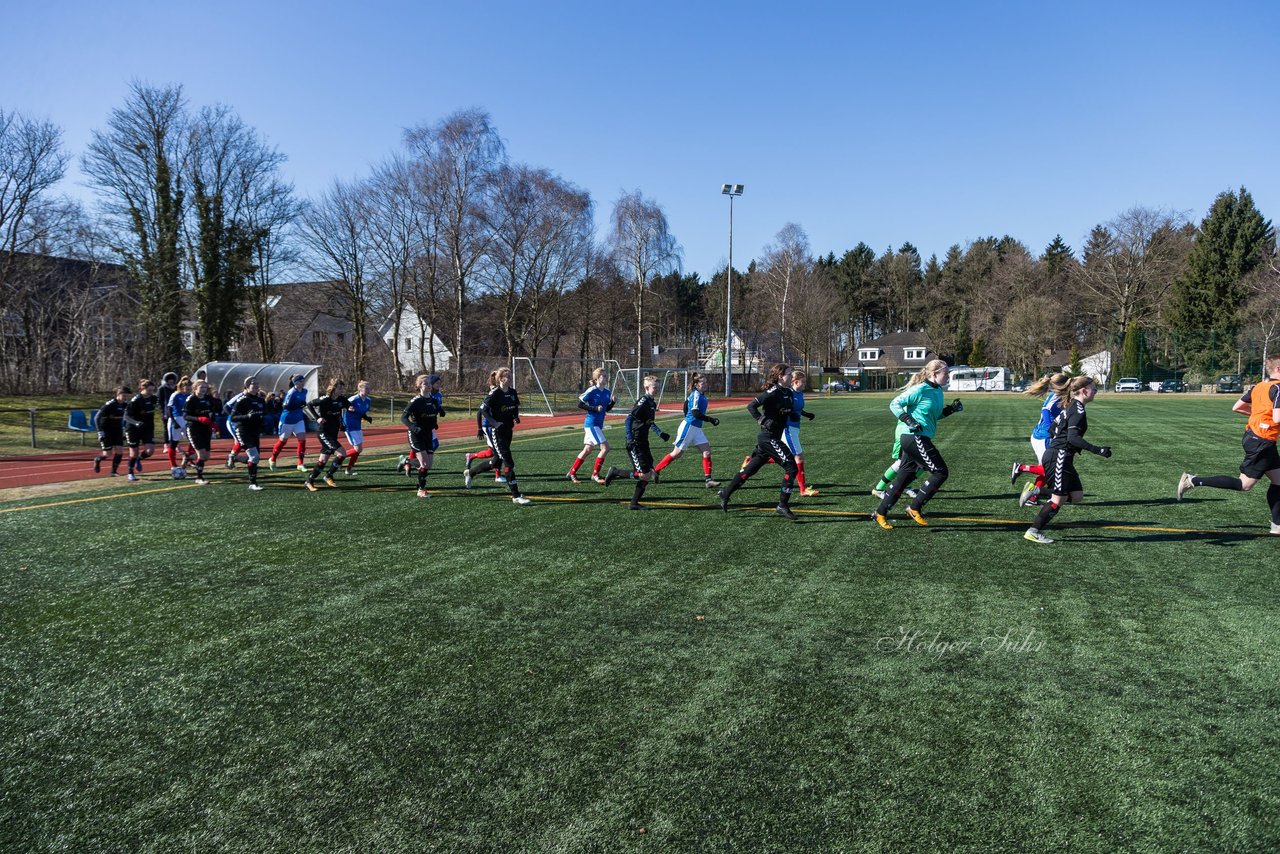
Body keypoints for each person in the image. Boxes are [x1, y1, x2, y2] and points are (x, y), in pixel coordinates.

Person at [1177, 354, 1280, 535]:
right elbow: (1277, 418)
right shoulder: (1278, 388)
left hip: (1256, 437)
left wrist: (1259, 418)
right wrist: (1265, 420)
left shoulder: (1259, 386)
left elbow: (1238, 407)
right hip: (1262, 441)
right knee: (1244, 485)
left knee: (1279, 481)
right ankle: (1192, 480)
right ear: (1278, 369)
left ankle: (1277, 525)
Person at [872, 360, 963, 529]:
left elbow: (933, 417)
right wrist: (908, 419)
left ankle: (881, 512)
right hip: (914, 437)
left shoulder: (937, 391)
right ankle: (914, 507)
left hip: (920, 437)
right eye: (946, 373)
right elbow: (894, 404)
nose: (948, 375)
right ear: (934, 374)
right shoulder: (920, 389)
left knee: (904, 477)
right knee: (940, 472)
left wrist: (950, 410)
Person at [1024, 374, 1111, 544]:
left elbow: (1053, 428)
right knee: (1058, 499)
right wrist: (1098, 450)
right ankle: (1033, 531)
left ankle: (1037, 491)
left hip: (1062, 456)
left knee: (1077, 496)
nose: (1095, 392)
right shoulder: (1077, 410)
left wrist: (1060, 442)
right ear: (1084, 391)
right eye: (1094, 389)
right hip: (1059, 456)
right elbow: (1073, 438)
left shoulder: (1071, 406)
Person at [718, 363, 800, 521]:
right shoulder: (773, 392)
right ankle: (782, 505)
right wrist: (762, 419)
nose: (792, 376)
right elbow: (752, 406)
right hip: (768, 438)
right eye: (789, 374)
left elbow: (783, 410)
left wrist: (793, 415)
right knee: (791, 467)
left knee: (749, 470)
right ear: (780, 376)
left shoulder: (788, 392)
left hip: (772, 438)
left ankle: (726, 492)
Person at [465, 367, 531, 504]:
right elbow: (483, 411)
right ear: (501, 379)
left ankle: (471, 472)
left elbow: (515, 406)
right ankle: (516, 495)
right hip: (497, 432)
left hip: (509, 430)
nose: (511, 379)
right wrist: (494, 423)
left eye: (511, 376)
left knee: (496, 462)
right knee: (508, 462)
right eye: (508, 377)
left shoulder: (512, 392)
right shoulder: (494, 393)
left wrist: (515, 416)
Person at [602, 375, 670, 510]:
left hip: (644, 441)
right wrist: (629, 437)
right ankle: (615, 472)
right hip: (635, 441)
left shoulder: (652, 403)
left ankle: (634, 503)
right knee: (644, 474)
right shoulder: (643, 402)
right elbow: (628, 419)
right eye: (654, 387)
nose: (656, 389)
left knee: (649, 471)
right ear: (646, 387)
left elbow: (650, 422)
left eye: (658, 387)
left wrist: (660, 433)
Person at [1011, 372, 1071, 507]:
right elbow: (1046, 410)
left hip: (1042, 436)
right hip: (1043, 437)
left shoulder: (1059, 395)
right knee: (1047, 469)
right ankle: (1021, 468)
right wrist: (1051, 430)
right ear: (1063, 385)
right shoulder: (1055, 396)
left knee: (1045, 469)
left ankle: (1032, 498)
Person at [653, 371, 721, 489]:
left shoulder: (700, 394)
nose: (705, 384)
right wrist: (710, 419)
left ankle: (708, 480)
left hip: (697, 428)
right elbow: (695, 412)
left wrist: (689, 416)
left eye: (705, 382)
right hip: (689, 427)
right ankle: (656, 470)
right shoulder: (696, 395)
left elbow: (685, 405)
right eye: (702, 383)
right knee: (677, 453)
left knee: (707, 452)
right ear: (696, 384)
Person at [568, 368, 615, 484]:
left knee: (588, 450)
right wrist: (594, 408)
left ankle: (572, 472)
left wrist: (613, 402)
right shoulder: (592, 390)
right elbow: (579, 404)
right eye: (603, 376)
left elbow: (606, 409)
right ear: (597, 378)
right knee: (605, 448)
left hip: (598, 425)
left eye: (606, 375)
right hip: (591, 424)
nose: (606, 377)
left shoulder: (607, 392)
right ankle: (595, 474)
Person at [402, 374, 446, 498]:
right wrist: (413, 427)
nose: (428, 385)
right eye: (425, 383)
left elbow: (435, 411)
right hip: (416, 435)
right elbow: (403, 417)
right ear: (419, 386)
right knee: (425, 464)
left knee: (428, 465)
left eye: (429, 383)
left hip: (428, 433)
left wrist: (439, 415)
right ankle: (421, 489)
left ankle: (407, 461)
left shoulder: (433, 400)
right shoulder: (416, 401)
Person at [461, 371, 506, 485]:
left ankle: (472, 456)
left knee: (492, 452)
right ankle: (497, 475)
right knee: (497, 452)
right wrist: (480, 428)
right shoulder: (492, 395)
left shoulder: (503, 394)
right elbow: (479, 412)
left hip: (497, 427)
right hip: (489, 427)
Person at [304, 378, 349, 491]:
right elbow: (308, 405)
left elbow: (348, 406)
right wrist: (317, 418)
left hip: (333, 432)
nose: (342, 390)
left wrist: (344, 420)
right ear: (334, 388)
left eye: (343, 388)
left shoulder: (341, 399)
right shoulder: (325, 399)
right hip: (324, 432)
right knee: (342, 453)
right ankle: (328, 475)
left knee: (323, 461)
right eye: (340, 388)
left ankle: (309, 481)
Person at [227, 376, 267, 491]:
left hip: (254, 431)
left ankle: (235, 458)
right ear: (247, 386)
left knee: (255, 458)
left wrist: (261, 419)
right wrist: (247, 416)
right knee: (254, 457)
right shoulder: (242, 399)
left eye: (257, 383)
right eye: (253, 383)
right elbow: (233, 417)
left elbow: (265, 412)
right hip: (243, 431)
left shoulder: (260, 400)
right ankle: (253, 483)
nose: (255, 385)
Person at [269, 375, 310, 472]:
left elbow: (302, 402)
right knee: (283, 441)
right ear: (296, 383)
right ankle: (273, 459)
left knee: (302, 440)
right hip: (287, 419)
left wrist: (303, 403)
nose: (302, 383)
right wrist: (297, 405)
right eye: (301, 381)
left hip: (298, 418)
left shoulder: (305, 391)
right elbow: (285, 406)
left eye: (303, 381)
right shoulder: (291, 392)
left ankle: (300, 463)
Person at [121, 379, 158, 482]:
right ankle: (130, 473)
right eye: (149, 390)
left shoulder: (154, 398)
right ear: (142, 389)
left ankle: (139, 459)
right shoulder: (136, 400)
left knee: (150, 451)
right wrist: (136, 423)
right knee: (133, 452)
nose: (151, 392)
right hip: (133, 429)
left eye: (152, 390)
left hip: (148, 428)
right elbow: (126, 416)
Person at [183, 380, 218, 485]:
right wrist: (199, 419)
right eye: (201, 387)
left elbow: (212, 412)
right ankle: (199, 477)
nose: (203, 389)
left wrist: (213, 423)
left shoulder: (209, 399)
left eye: (205, 387)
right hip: (194, 429)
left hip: (205, 429)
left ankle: (188, 457)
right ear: (195, 388)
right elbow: (186, 416)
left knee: (206, 456)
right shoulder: (191, 399)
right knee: (202, 455)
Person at [92, 386, 129, 476]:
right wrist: (100, 432)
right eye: (124, 396)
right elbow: (97, 417)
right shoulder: (110, 404)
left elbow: (127, 418)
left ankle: (113, 471)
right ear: (118, 395)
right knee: (107, 454)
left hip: (117, 430)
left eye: (126, 396)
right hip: (106, 430)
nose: (125, 398)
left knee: (120, 451)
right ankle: (98, 459)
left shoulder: (125, 405)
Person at [343, 380, 375, 476]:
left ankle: (349, 469)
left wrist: (366, 417)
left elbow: (362, 412)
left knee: (359, 449)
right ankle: (340, 456)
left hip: (357, 425)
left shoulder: (368, 400)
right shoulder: (353, 399)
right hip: (349, 425)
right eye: (366, 388)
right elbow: (342, 408)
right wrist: (341, 423)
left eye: (369, 388)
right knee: (357, 449)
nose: (369, 390)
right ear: (360, 389)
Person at [163, 376, 193, 478]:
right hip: (176, 419)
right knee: (174, 443)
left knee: (193, 440)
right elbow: (169, 409)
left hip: (186, 419)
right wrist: (174, 422)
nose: (188, 389)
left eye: (190, 387)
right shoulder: (175, 395)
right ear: (182, 386)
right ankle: (173, 465)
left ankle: (188, 458)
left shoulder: (190, 396)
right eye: (186, 386)